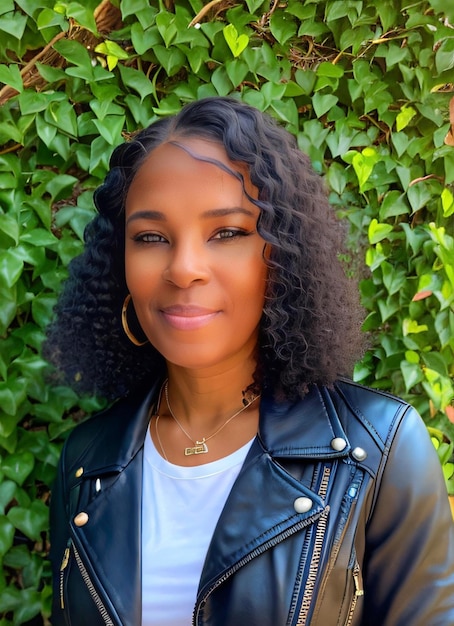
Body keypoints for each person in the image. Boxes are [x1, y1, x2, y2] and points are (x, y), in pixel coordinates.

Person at [45, 96, 454, 626]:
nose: (184, 268)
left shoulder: (377, 449)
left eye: (228, 233)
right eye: (150, 237)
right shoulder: (86, 460)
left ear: (282, 256)